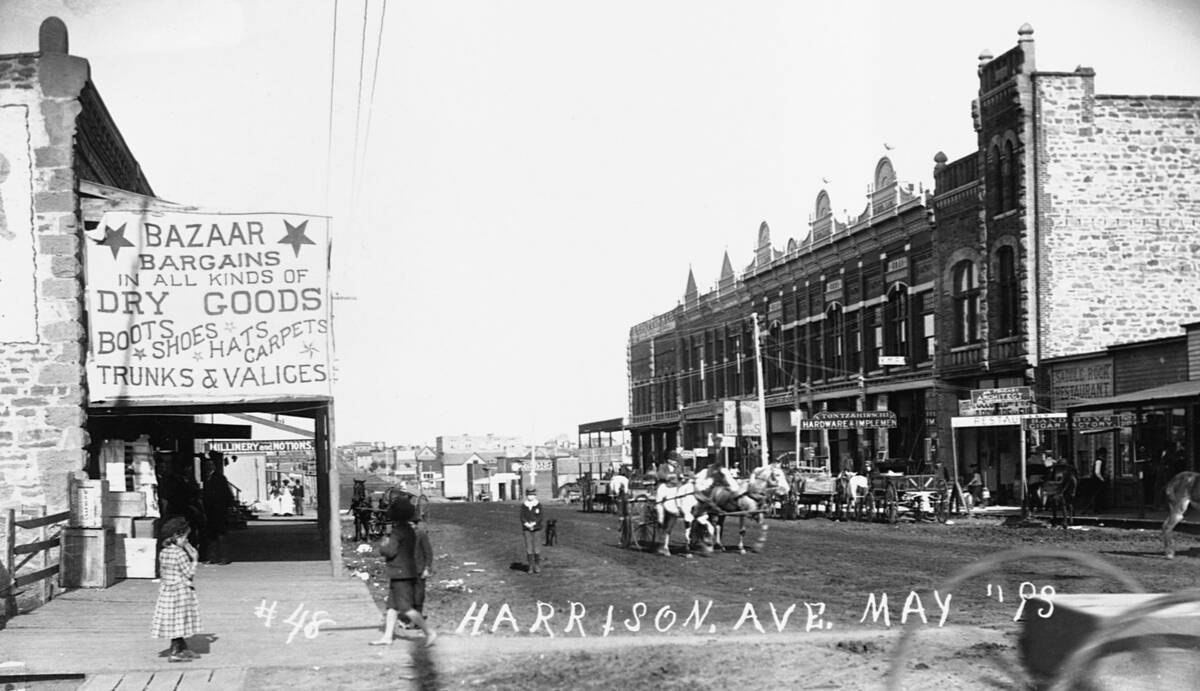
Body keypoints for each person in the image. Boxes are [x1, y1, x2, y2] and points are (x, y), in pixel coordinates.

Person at [371, 497, 436, 647]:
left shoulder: (397, 532)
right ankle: (387, 637)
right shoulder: (410, 530)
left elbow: (390, 551)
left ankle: (429, 632)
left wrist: (383, 545)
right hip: (406, 572)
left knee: (405, 608)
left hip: (400, 574)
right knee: (392, 608)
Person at [152, 516, 202, 662]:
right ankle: (175, 651)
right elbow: (189, 574)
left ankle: (183, 648)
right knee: (180, 621)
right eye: (185, 538)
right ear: (177, 536)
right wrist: (194, 559)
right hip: (180, 592)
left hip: (167, 591)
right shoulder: (180, 554)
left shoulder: (164, 552)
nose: (186, 541)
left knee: (174, 620)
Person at [201, 462, 234, 565]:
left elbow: (224, 493)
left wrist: (226, 507)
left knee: (221, 534)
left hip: (219, 511)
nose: (206, 468)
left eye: (209, 465)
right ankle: (213, 557)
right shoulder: (208, 478)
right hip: (211, 511)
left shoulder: (219, 478)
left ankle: (224, 557)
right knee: (212, 535)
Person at [520, 487, 545, 574]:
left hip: (537, 528)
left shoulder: (538, 505)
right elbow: (522, 517)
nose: (530, 497)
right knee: (529, 547)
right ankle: (530, 566)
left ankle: (537, 565)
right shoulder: (524, 505)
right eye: (529, 495)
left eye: (532, 495)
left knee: (536, 546)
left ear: (535, 495)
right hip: (526, 528)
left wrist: (533, 524)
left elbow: (540, 517)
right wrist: (527, 524)